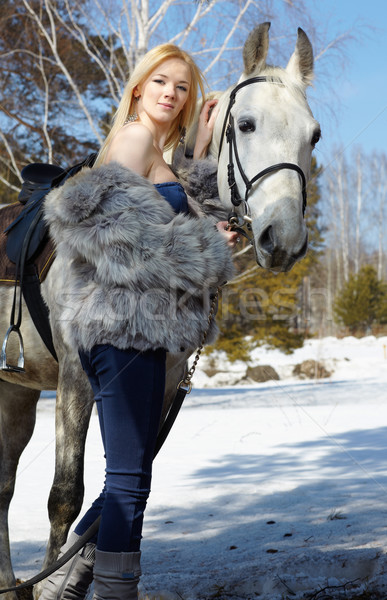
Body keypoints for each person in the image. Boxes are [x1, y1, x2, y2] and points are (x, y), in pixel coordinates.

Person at [40, 43, 236, 600]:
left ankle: (63, 583)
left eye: (181, 87)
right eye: (161, 82)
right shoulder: (133, 138)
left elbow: (169, 207)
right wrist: (207, 255)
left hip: (138, 329)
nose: (171, 94)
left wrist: (199, 154)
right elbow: (104, 230)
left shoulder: (152, 148)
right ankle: (114, 590)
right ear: (138, 88)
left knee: (131, 470)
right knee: (129, 477)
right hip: (123, 325)